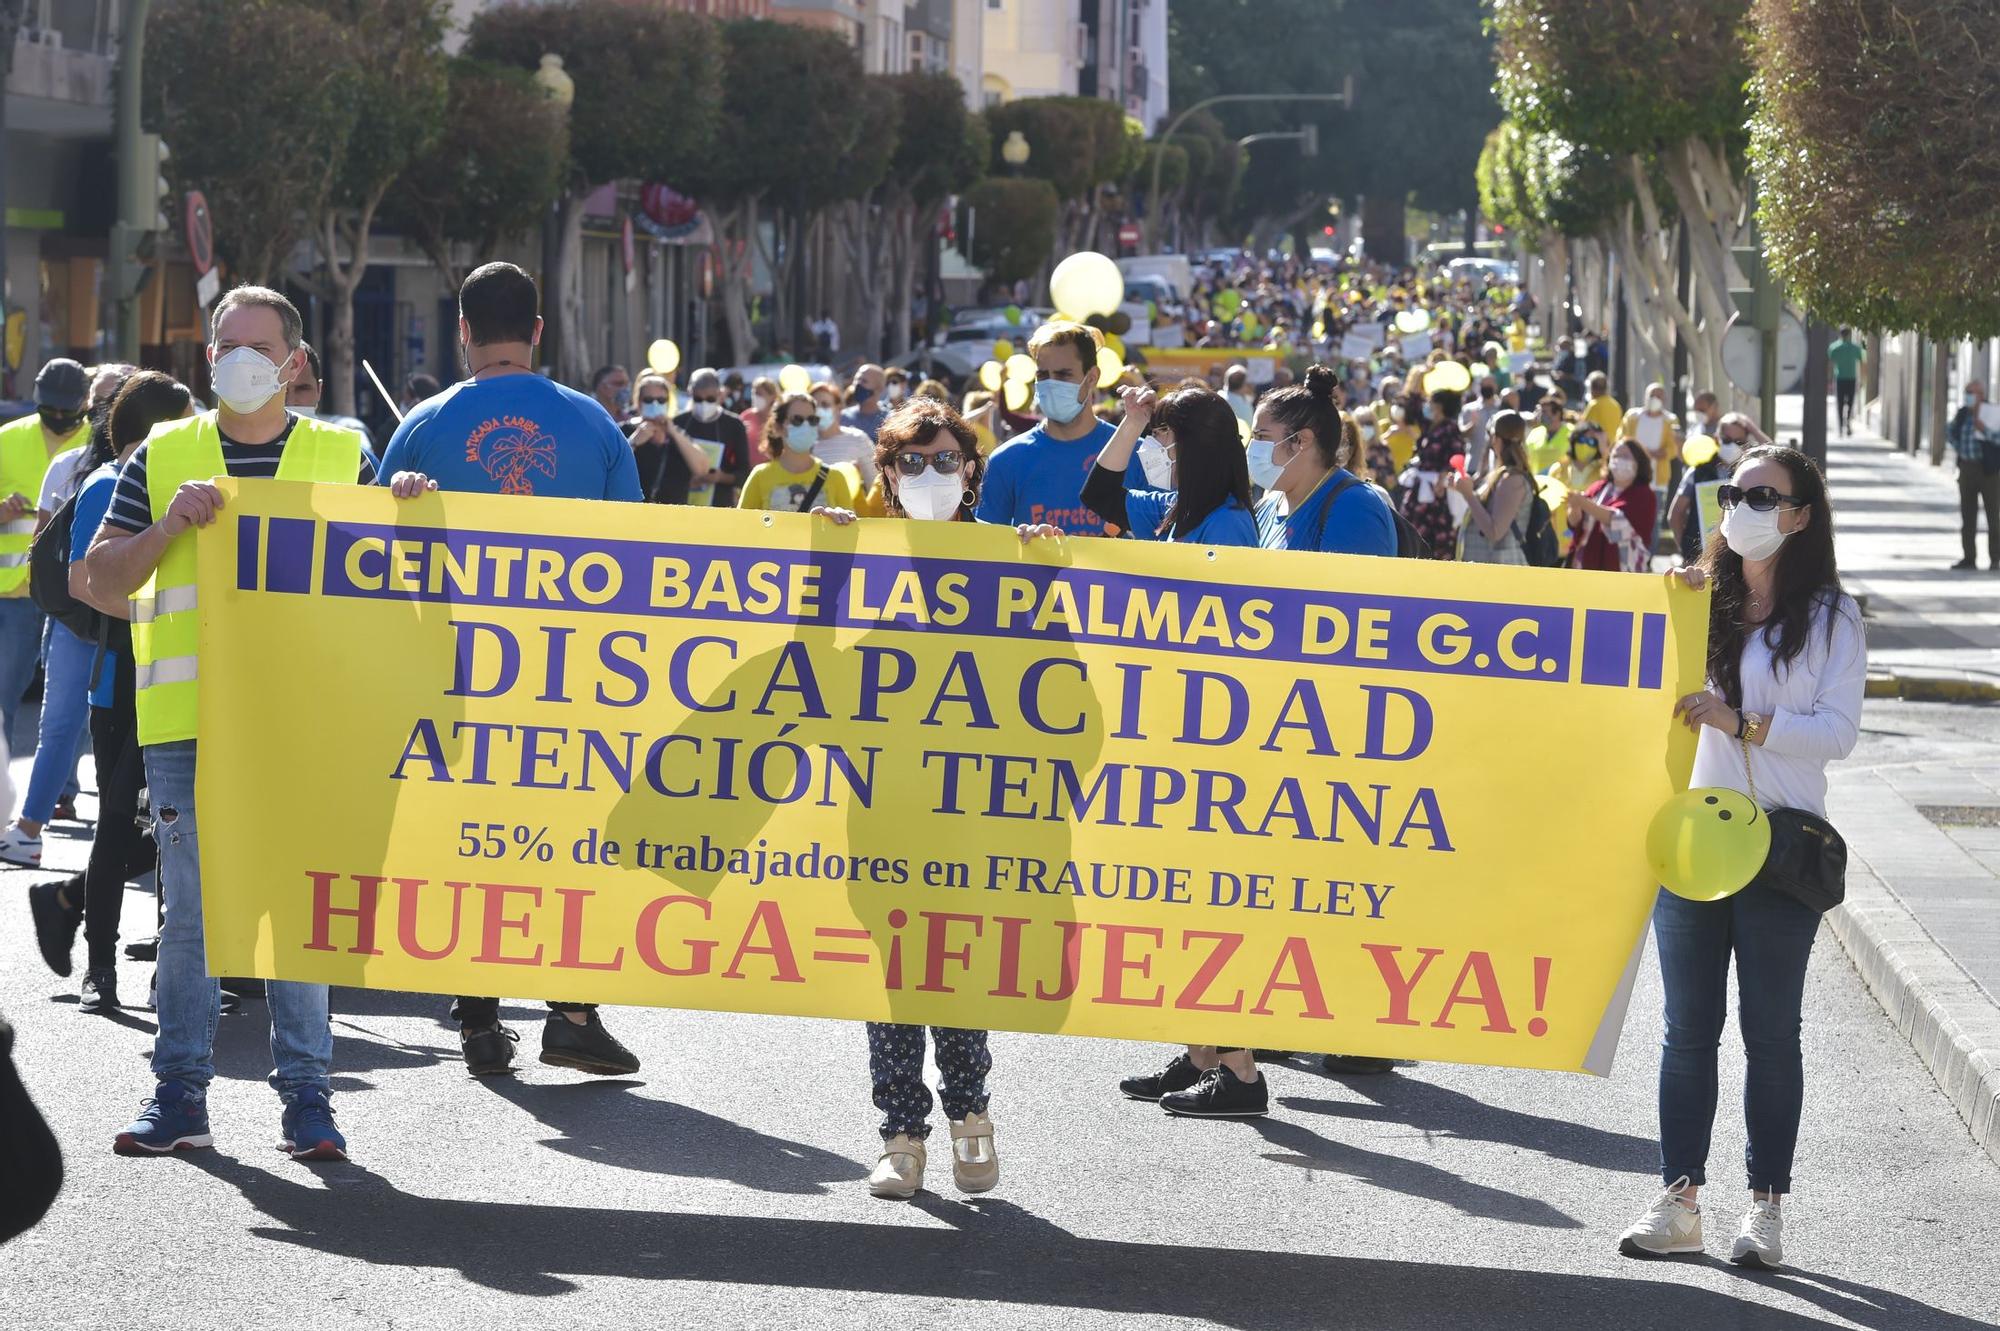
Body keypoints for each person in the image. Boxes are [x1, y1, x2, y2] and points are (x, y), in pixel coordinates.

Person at [86, 284, 373, 1161]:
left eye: (259, 346)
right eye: (225, 346)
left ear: (293, 363)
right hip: (188, 726)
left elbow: (401, 583)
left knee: (296, 910)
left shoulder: (342, 454)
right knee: (191, 920)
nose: (240, 361)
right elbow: (97, 579)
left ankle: (309, 1101)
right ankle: (179, 1094)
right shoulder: (163, 454)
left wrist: (408, 500)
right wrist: (168, 527)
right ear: (207, 359)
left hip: (302, 724)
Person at [378, 262, 645, 1080]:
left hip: (455, 677)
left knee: (470, 844)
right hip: (571, 678)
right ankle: (570, 1011)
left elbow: (373, 555)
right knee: (564, 845)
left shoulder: (422, 424)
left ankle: (480, 1021)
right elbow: (641, 555)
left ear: (462, 332)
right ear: (538, 331)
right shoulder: (594, 423)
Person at [1620, 445, 1864, 1270]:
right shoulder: (1698, 598)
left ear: (1800, 515)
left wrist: (1743, 722)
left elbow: (1837, 732)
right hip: (1693, 839)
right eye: (1736, 492)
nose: (1744, 505)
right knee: (1687, 1030)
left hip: (1780, 847)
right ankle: (1679, 1197)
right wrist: (1671, 599)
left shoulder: (1833, 616)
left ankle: (1766, 1206)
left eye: (1765, 495)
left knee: (1771, 1033)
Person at [810, 398, 998, 1199]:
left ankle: (970, 1117)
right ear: (885, 471)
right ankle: (902, 1135)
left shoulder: (1005, 561)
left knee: (955, 967)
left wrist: (1046, 569)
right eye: (912, 461)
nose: (930, 475)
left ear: (971, 471)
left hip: (973, 808)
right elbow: (815, 664)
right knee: (892, 977)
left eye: (946, 460)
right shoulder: (860, 557)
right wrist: (823, 563)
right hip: (881, 802)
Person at [27, 371, 191, 1010]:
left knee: (175, 824)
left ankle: (167, 964)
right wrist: (167, 610)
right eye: (183, 417)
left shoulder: (178, 482)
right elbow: (83, 583)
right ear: (151, 429)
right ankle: (101, 967)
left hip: (175, 674)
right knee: (120, 823)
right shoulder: (107, 484)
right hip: (121, 680)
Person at [974, 321, 1146, 534]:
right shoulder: (1006, 460)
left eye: (1064, 374)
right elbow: (986, 552)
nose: (1051, 384)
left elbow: (1166, 541)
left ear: (1092, 377)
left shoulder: (1138, 454)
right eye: (1043, 376)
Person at [0, 359, 92, 747]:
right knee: (5, 696)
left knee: (67, 705)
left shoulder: (97, 441)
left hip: (69, 588)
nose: (57, 416)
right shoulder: (8, 437)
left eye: (66, 411)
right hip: (15, 591)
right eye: (49, 409)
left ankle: (64, 788)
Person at [1079, 384, 1258, 546]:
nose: (1150, 442)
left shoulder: (1227, 522)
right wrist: (1134, 421)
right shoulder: (1176, 506)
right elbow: (1098, 495)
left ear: (1191, 444)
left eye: (1159, 432)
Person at [1670, 413, 1767, 565]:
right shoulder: (1697, 472)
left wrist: (1753, 429)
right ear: (1716, 438)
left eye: (1739, 441)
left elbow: (1776, 457)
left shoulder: (1751, 473)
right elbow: (1676, 515)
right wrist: (1686, 550)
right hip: (1699, 555)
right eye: (1727, 440)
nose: (1733, 445)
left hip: (1736, 556)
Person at [739, 391, 860, 513]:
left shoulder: (835, 477)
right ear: (778, 427)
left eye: (812, 419)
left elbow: (849, 528)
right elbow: (741, 526)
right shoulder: (760, 476)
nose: (806, 425)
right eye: (797, 420)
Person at [624, 370, 724, 503]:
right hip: (633, 513)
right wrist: (633, 442)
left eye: (661, 400)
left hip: (673, 517)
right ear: (638, 402)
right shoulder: (624, 430)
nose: (655, 404)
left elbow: (702, 469)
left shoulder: (678, 432)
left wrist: (674, 433)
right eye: (648, 400)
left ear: (668, 402)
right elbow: (610, 465)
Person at [1450, 408, 1532, 565]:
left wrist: (1468, 494)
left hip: (1503, 573)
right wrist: (1462, 489)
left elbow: (1495, 531)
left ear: (1497, 439)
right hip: (1489, 569)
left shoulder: (1513, 479)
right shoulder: (1502, 475)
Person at [660, 368, 750, 506]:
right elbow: (667, 469)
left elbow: (744, 473)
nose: (704, 404)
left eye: (710, 399)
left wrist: (721, 477)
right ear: (690, 393)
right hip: (682, 504)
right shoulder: (679, 423)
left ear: (719, 394)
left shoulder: (734, 425)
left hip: (719, 506)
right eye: (698, 399)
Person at [1568, 437, 1657, 572]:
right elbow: (1575, 524)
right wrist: (1574, 507)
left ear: (1638, 462)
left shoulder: (1645, 495)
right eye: (1616, 455)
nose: (1619, 460)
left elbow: (1617, 520)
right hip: (1586, 567)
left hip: (1624, 571)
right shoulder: (1597, 488)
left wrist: (1583, 503)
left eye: (1626, 456)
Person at [1398, 381, 1465, 560]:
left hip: (1437, 490)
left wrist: (1444, 476)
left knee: (1436, 538)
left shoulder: (1450, 427)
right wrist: (1417, 379)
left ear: (1440, 406)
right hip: (1419, 488)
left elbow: (1457, 454)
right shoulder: (1428, 426)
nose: (1427, 405)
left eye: (1431, 402)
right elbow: (1410, 406)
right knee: (1413, 532)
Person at [1948, 381, 1999, 572]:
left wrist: (1984, 428)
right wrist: (1959, 447)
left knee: (1993, 515)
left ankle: (1995, 558)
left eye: (1971, 392)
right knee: (1967, 515)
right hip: (1967, 469)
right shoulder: (1963, 413)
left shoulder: (1991, 413)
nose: (1968, 396)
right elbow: (1950, 432)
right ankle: (1969, 557)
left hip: (1988, 471)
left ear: (1981, 394)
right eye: (1966, 392)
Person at [286, 342, 374, 447]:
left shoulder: (349, 448)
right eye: (281, 390)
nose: (290, 401)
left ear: (319, 390)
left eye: (302, 389)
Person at [809, 380, 877, 484]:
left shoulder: (858, 439)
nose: (819, 410)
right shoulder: (805, 444)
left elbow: (875, 483)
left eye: (825, 405)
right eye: (814, 406)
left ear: (838, 408)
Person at [1621, 381, 1680, 484]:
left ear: (1664, 400)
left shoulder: (1670, 420)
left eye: (1658, 396)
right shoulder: (1632, 416)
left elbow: (1674, 448)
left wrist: (1652, 454)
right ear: (1645, 396)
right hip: (1630, 475)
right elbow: (1621, 439)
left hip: (1656, 480)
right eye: (1652, 395)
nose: (1654, 399)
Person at [1827, 328, 1865, 435]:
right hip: (1851, 379)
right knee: (1850, 403)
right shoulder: (1855, 348)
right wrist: (1862, 379)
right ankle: (1847, 422)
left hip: (1839, 379)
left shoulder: (1834, 348)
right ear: (1849, 335)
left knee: (1839, 403)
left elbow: (1830, 364)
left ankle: (1840, 426)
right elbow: (1861, 363)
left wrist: (1829, 379)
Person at [1525, 392, 1571, 474]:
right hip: (1538, 482)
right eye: (1540, 412)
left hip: (1562, 483)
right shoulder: (1534, 433)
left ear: (1557, 414)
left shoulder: (1572, 433)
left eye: (1544, 412)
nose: (1540, 415)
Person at [840, 364, 888, 442]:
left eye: (864, 381)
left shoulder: (888, 421)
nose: (858, 384)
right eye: (857, 379)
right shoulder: (843, 417)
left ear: (879, 389)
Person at [1581, 370, 1624, 441]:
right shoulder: (1616, 404)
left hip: (1599, 446)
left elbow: (1584, 427)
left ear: (1592, 388)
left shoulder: (1594, 404)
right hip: (1613, 446)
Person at [740, 375, 777, 449]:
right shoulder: (745, 416)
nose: (756, 397)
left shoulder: (777, 418)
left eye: (759, 394)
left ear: (772, 396)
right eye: (754, 394)